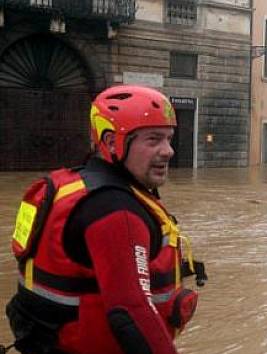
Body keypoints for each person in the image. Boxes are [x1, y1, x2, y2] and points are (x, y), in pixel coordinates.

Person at [4, 85, 206, 354]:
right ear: (111, 142)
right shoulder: (115, 210)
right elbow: (131, 312)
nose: (168, 150)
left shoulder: (76, 185)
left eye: (169, 138)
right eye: (154, 139)